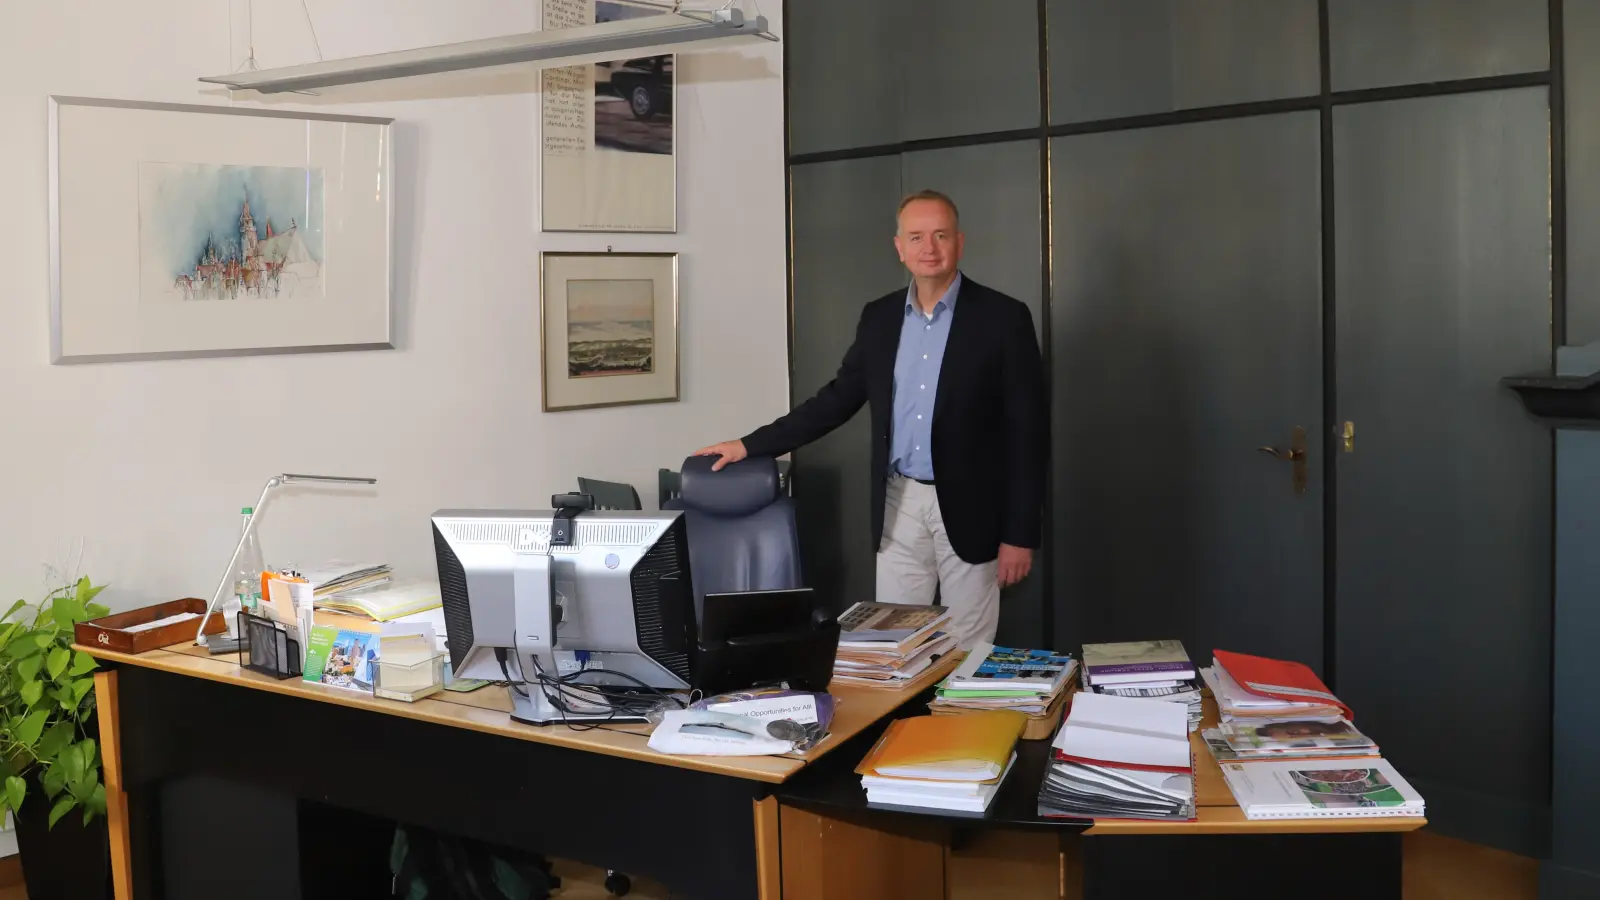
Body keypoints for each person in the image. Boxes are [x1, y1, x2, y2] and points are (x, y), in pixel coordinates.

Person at [694, 189, 1047, 648]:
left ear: (960, 242)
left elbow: (1029, 433)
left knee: (967, 648)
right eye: (916, 236)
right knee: (894, 644)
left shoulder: (1003, 318)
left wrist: (1020, 535)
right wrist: (750, 445)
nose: (929, 248)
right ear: (899, 247)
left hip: (975, 507)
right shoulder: (880, 318)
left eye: (940, 235)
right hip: (898, 504)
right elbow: (836, 399)